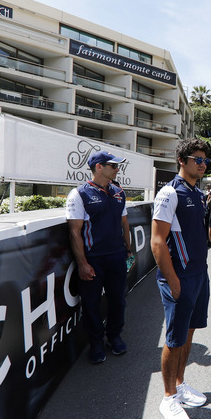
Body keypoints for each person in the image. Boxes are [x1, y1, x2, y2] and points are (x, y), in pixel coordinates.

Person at [151, 138, 211, 419]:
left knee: (188, 336)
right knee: (174, 340)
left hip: (200, 275)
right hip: (179, 278)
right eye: (197, 159)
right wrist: (173, 281)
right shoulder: (169, 193)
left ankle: (180, 384)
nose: (201, 164)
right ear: (182, 161)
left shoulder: (197, 193)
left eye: (205, 160)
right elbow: (157, 241)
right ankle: (168, 398)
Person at [66, 151, 133, 364]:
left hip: (117, 257)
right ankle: (96, 342)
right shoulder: (79, 194)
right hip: (93, 259)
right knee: (92, 304)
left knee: (118, 300)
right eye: (113, 165)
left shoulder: (119, 192)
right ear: (99, 167)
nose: (117, 169)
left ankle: (114, 336)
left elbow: (124, 223)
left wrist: (128, 250)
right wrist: (82, 263)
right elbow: (74, 231)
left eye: (117, 166)